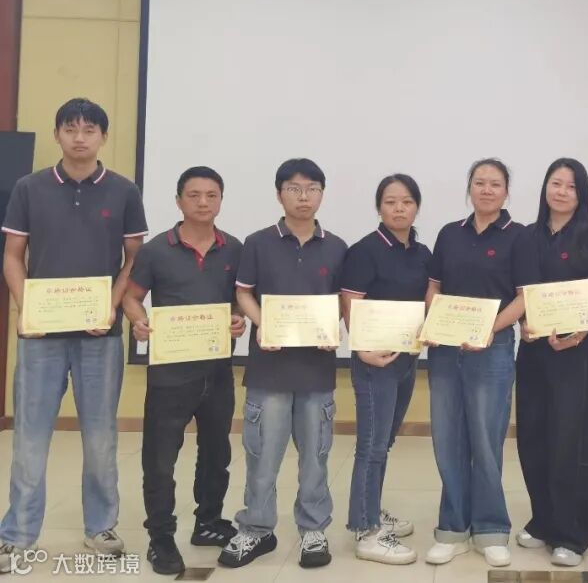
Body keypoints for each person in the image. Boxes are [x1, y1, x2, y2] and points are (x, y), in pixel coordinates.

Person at [0, 98, 148, 573]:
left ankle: (100, 526)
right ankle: (17, 534)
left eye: (88, 130)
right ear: (57, 134)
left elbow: (134, 260)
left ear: (103, 136)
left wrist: (110, 306)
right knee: (30, 436)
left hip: (99, 336)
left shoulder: (124, 191)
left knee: (101, 436)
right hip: (40, 337)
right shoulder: (29, 187)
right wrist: (27, 309)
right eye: (70, 129)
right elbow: (12, 256)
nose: (79, 137)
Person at [217, 158, 347, 569]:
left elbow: (343, 301)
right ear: (279, 194)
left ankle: (313, 529)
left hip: (316, 371)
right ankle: (256, 529)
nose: (303, 196)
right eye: (294, 188)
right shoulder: (258, 243)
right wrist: (263, 323)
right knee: (262, 455)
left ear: (322, 194)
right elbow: (244, 293)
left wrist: (336, 328)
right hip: (269, 369)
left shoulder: (337, 247)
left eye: (312, 188)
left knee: (316, 458)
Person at [122, 167, 245, 574]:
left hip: (218, 370)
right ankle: (160, 538)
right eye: (194, 195)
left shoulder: (234, 249)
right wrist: (139, 321)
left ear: (221, 200)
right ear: (178, 201)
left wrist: (238, 319)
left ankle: (208, 522)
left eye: (212, 195)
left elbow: (240, 301)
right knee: (160, 460)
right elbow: (132, 298)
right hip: (170, 374)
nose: (203, 202)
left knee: (217, 453)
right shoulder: (156, 250)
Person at [423, 158, 538, 567]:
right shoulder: (449, 233)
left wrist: (490, 329)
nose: (486, 190)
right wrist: (433, 322)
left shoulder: (520, 236)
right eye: (479, 182)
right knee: (448, 439)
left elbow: (525, 297)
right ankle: (452, 528)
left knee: (486, 441)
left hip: (493, 347)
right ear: (469, 188)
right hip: (445, 349)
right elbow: (434, 287)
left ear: (506, 192)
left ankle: (491, 528)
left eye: (495, 184)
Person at [515, 158, 588, 567]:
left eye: (571, 186)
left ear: (581, 194)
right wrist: (523, 325)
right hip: (533, 350)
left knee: (571, 441)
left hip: (574, 351)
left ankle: (573, 535)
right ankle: (543, 520)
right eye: (556, 183)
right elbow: (521, 292)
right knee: (532, 435)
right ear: (545, 188)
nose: (561, 192)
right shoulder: (526, 236)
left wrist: (579, 333)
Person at [340, 174, 431, 565]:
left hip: (406, 359)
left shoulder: (422, 252)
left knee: (385, 441)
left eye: (406, 201)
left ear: (416, 207)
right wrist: (362, 349)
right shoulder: (365, 250)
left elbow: (429, 299)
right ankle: (365, 531)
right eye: (391, 202)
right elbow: (349, 301)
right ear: (379, 207)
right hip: (374, 362)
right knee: (371, 446)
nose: (399, 208)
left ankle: (373, 511)